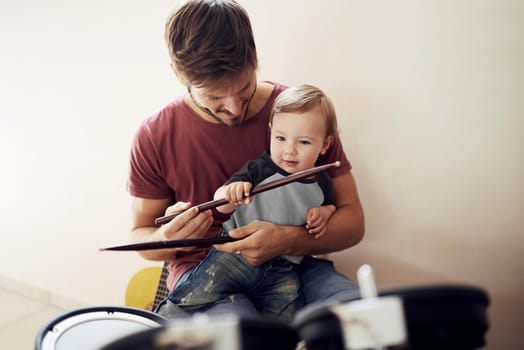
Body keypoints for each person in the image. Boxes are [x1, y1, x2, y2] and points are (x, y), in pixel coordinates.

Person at [127, 0, 365, 320]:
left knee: (358, 316)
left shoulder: (299, 115)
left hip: (298, 263)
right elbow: (141, 237)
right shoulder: (154, 136)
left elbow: (353, 224)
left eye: (244, 89)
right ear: (177, 73)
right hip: (207, 270)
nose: (235, 109)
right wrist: (167, 237)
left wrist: (287, 239)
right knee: (244, 333)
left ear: (255, 58)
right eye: (214, 97)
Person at [166, 84, 339, 322]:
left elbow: (331, 205)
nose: (289, 150)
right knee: (193, 294)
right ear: (270, 132)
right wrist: (231, 193)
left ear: (325, 145)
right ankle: (156, 326)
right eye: (280, 138)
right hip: (236, 255)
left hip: (285, 269)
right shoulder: (260, 168)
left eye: (304, 143)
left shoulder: (323, 183)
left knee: (285, 320)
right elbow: (219, 202)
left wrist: (325, 213)